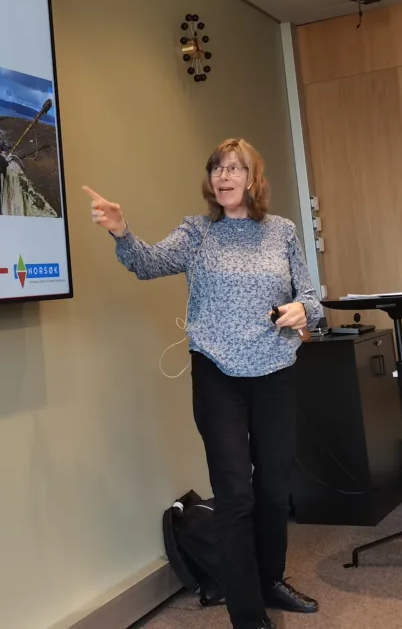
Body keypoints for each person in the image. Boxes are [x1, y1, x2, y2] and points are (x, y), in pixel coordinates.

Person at [84, 138, 323, 629]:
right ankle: (248, 615)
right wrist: (122, 231)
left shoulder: (281, 232)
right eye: (217, 168)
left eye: (235, 168)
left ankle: (269, 579)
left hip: (276, 370)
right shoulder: (197, 233)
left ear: (253, 178)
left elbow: (312, 297)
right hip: (217, 375)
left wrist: (306, 310)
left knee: (275, 490)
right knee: (236, 495)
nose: (224, 176)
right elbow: (147, 264)